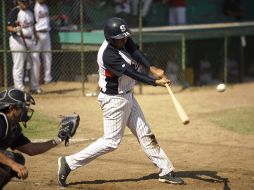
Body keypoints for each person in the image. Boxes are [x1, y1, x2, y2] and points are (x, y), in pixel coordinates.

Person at [57, 17, 184, 187]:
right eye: (120, 38)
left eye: (125, 36)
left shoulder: (121, 39)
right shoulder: (108, 55)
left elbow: (136, 51)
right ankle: (69, 162)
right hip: (114, 100)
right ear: (110, 38)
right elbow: (132, 73)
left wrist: (151, 68)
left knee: (145, 133)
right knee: (111, 142)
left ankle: (166, 170)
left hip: (127, 95)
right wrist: (154, 82)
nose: (124, 40)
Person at [0, 88, 65, 188]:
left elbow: (31, 149)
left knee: (18, 160)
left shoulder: (12, 125)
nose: (25, 110)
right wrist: (12, 164)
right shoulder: (1, 121)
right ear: (12, 109)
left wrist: (59, 138)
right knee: (12, 160)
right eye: (22, 107)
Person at [7, 0, 42, 94]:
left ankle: (34, 87)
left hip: (30, 40)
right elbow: (8, 27)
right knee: (19, 65)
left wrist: (36, 36)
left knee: (36, 62)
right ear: (18, 2)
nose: (25, 4)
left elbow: (33, 26)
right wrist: (15, 29)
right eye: (23, 2)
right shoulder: (15, 11)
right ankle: (19, 89)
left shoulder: (30, 11)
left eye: (26, 2)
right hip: (17, 40)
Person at [33, 0, 53, 84]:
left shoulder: (45, 6)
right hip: (38, 33)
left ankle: (47, 78)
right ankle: (35, 80)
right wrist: (35, 35)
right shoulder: (34, 7)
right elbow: (32, 23)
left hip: (46, 32)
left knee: (48, 56)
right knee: (35, 57)